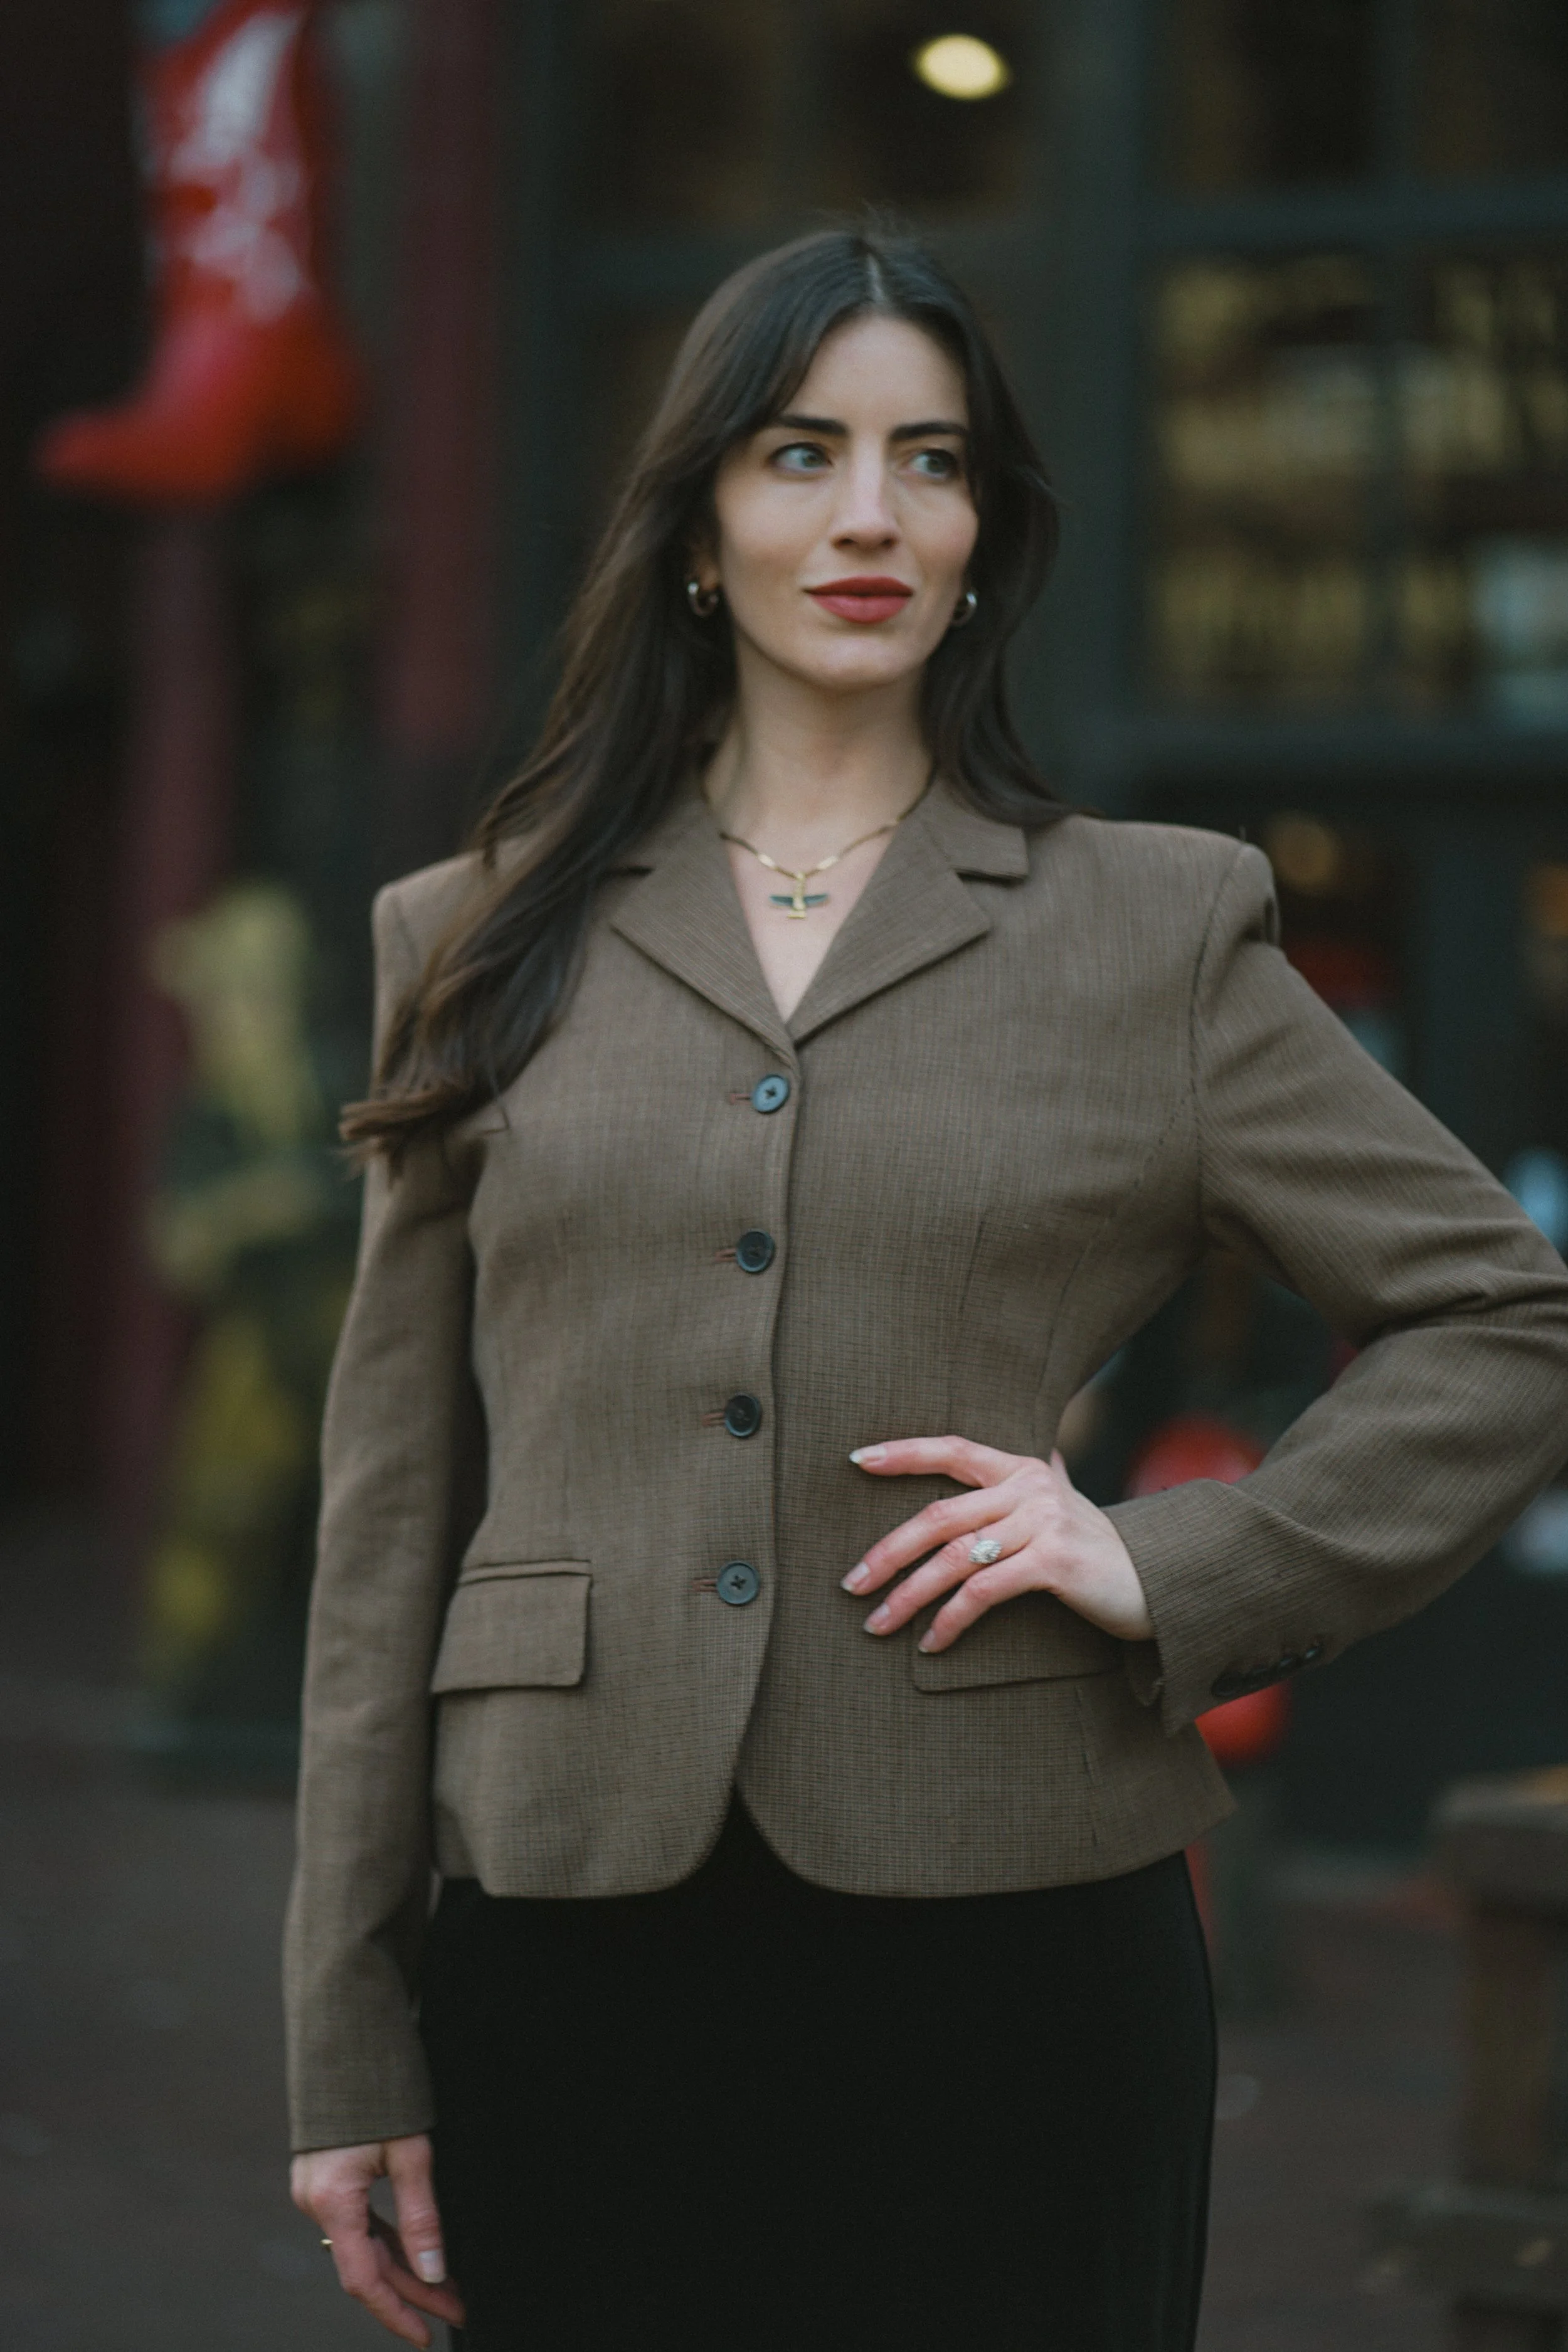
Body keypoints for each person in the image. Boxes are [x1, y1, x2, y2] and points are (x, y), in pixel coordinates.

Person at [284, 226, 1568, 2352]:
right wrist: (344, 2041)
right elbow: (386, 1516)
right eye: (800, 453)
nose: (868, 512)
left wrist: (1187, 1558)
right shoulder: (477, 935)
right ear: (701, 520)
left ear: (985, 533)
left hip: (1012, 1934)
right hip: (567, 1929)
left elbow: (1505, 1317)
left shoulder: (1146, 933)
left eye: (930, 461)